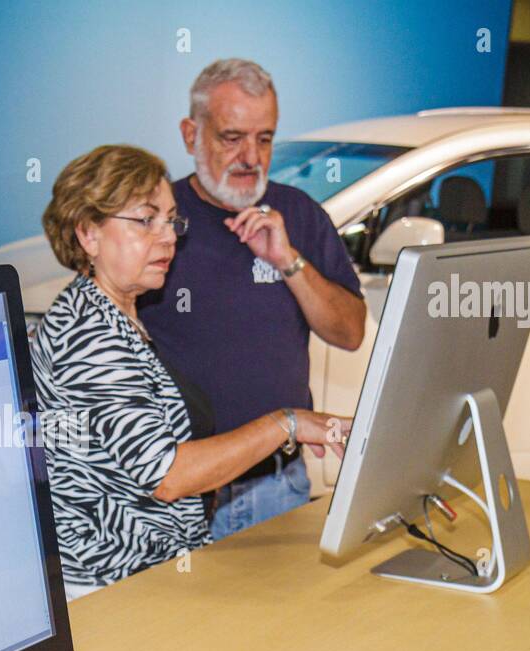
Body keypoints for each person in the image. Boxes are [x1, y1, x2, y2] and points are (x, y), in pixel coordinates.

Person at [33, 145, 350, 599]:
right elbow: (168, 474)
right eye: (146, 220)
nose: (168, 237)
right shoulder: (86, 332)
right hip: (114, 595)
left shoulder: (118, 315)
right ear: (88, 233)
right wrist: (290, 423)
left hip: (153, 578)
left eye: (171, 220)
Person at [139, 59, 367, 539]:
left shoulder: (299, 215)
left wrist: (289, 262)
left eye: (264, 139)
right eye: (232, 137)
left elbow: (349, 333)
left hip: (275, 485)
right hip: (177, 488)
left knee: (280, 615)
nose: (251, 155)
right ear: (190, 135)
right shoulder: (158, 222)